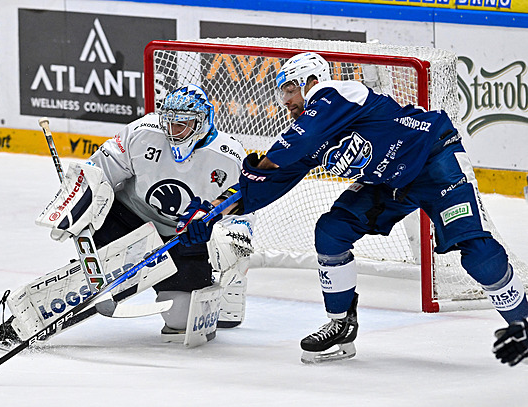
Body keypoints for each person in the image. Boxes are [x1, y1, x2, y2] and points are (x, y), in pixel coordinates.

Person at [186, 52, 528, 364]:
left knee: (477, 253)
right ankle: (342, 323)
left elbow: (294, 145)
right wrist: (213, 212)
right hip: (388, 183)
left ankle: (524, 324)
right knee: (331, 231)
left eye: (290, 88)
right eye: (282, 93)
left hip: (435, 162)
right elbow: (268, 182)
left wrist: (266, 163)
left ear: (311, 81)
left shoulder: (337, 93)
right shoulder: (312, 130)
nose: (286, 100)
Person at [0, 84, 253, 349]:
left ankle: (228, 290)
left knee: (182, 321)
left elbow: (242, 215)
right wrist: (73, 204)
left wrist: (220, 238)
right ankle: (24, 323)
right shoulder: (142, 132)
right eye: (169, 123)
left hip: (182, 237)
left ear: (202, 122)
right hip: (129, 221)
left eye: (181, 125)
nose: (172, 132)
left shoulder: (229, 157)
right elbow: (97, 173)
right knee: (96, 274)